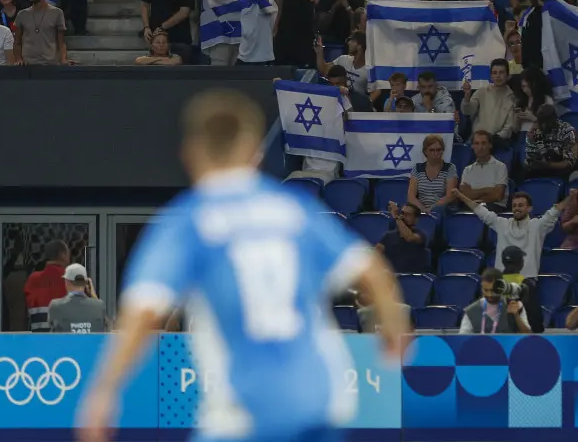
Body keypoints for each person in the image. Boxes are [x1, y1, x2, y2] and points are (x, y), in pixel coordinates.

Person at [76, 90, 408, 442]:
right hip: (318, 400)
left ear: (189, 155)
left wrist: (104, 390)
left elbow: (144, 311)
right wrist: (393, 324)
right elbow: (370, 270)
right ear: (256, 153)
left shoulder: (190, 220)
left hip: (243, 413)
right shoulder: (295, 210)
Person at [456, 187, 576, 278]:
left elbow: (555, 211)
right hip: (502, 281)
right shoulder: (502, 224)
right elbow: (480, 211)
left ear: (529, 208)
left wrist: (570, 197)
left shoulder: (538, 226)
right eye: (514, 206)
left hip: (525, 282)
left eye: (520, 205)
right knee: (478, 309)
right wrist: (460, 195)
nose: (517, 208)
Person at [14, 0, 67, 66]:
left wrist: (63, 59)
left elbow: (61, 42)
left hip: (50, 65)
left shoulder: (57, 13)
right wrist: (18, 59)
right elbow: (17, 42)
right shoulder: (22, 14)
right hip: (27, 66)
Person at [458, 268, 530, 334]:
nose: (489, 295)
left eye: (493, 290)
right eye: (486, 290)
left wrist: (516, 315)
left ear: (501, 287)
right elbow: (462, 341)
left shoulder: (516, 306)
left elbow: (527, 338)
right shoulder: (471, 311)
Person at [47, 263, 108, 333]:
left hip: (66, 344)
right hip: (91, 344)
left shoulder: (55, 306)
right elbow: (106, 326)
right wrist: (94, 296)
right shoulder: (99, 306)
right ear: (86, 283)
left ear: (67, 282)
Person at [376, 202, 430, 275]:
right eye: (402, 213)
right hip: (392, 280)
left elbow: (409, 237)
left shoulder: (420, 235)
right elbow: (375, 256)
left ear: (416, 220)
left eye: (408, 214)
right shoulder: (388, 236)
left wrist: (396, 217)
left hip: (412, 280)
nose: (403, 216)